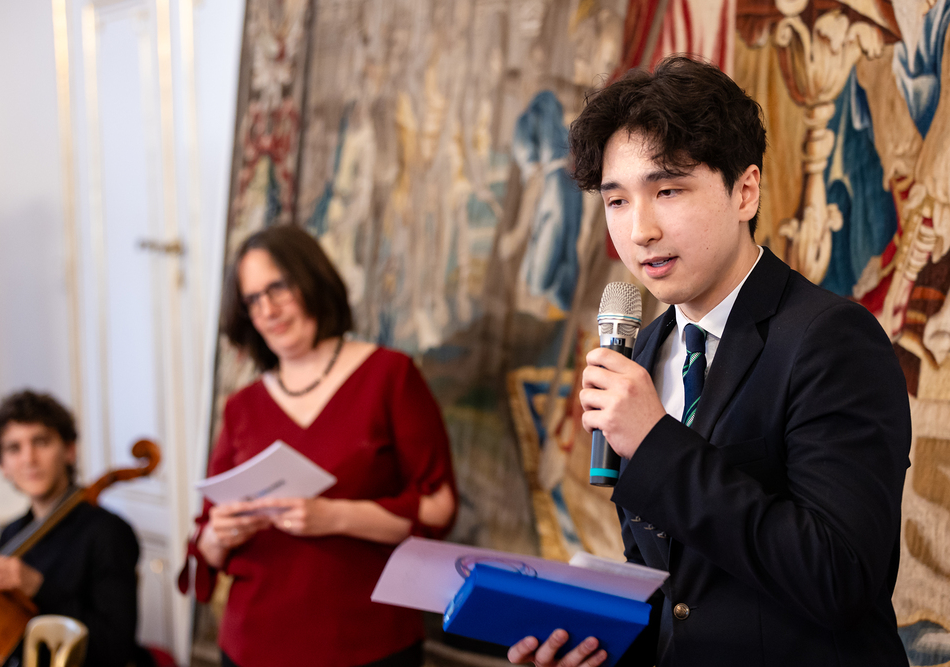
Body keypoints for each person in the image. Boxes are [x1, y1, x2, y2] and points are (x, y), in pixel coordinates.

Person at [508, 55, 912, 666]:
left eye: (667, 191)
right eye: (617, 202)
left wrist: (655, 442)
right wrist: (600, 649)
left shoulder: (832, 340)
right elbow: (678, 593)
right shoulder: (645, 349)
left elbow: (839, 577)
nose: (640, 230)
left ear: (744, 191)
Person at [181, 225, 457, 667]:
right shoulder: (241, 407)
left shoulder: (390, 375)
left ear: (311, 279)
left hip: (369, 644)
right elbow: (204, 542)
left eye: (278, 288)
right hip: (251, 646)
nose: (268, 309)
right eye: (253, 300)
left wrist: (335, 516)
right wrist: (218, 534)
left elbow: (440, 508)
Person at [0, 390, 146, 667]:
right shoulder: (11, 534)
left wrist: (36, 587)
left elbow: (114, 647)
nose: (29, 459)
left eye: (41, 442)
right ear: (2, 466)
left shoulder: (108, 532)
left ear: (69, 451)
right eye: (14, 448)